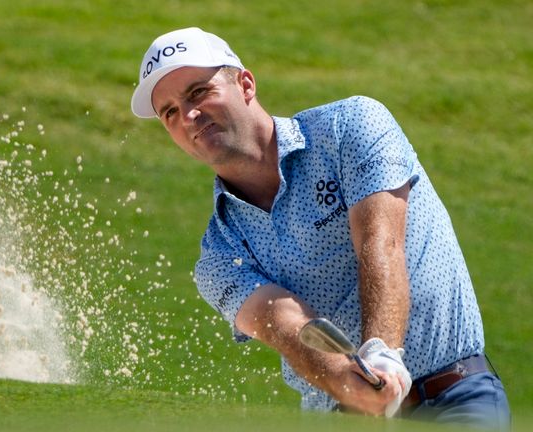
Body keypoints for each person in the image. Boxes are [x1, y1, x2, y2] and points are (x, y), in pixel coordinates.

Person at [130, 27, 511, 428]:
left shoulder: (349, 127)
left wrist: (383, 352)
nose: (188, 116)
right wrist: (352, 384)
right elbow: (287, 328)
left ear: (245, 84)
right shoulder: (220, 255)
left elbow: (381, 243)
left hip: (453, 397)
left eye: (198, 92)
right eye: (169, 112)